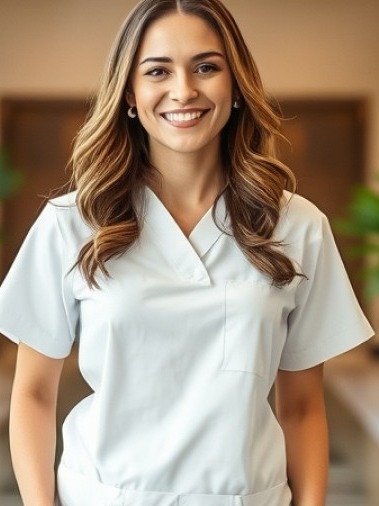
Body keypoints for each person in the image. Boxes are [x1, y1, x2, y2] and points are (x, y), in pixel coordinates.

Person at [0, 0, 374, 505]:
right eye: (158, 70)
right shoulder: (71, 224)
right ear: (130, 92)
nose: (184, 90)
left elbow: (304, 407)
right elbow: (34, 394)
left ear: (235, 84)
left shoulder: (297, 226)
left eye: (206, 67)